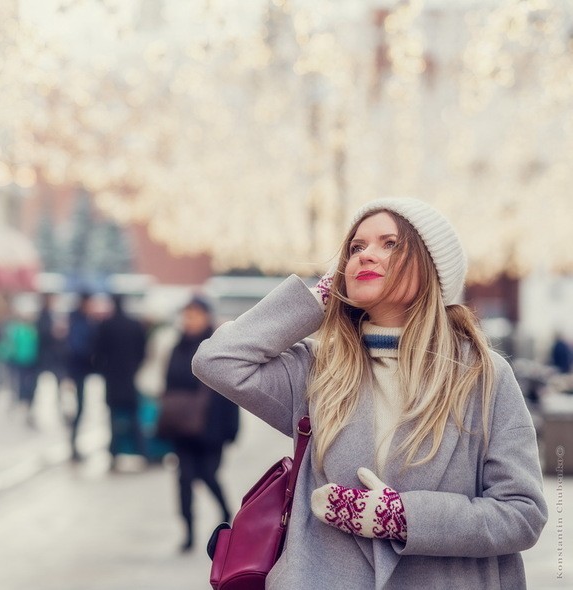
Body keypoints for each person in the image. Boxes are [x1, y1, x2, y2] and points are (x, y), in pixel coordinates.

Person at [192, 197, 547, 589]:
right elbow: (217, 360)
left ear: (432, 266)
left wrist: (402, 516)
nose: (365, 256)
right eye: (356, 248)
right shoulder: (318, 370)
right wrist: (321, 297)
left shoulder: (482, 376)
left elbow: (522, 514)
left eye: (389, 244)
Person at [165, 295, 239, 552]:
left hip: (212, 428)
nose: (190, 319)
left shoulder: (219, 346)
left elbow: (233, 390)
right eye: (187, 314)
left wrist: (232, 429)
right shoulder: (177, 346)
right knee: (184, 479)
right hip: (183, 428)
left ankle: (225, 510)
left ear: (207, 316)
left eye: (195, 314)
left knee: (208, 474)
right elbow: (169, 384)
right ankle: (188, 532)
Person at [93, 293, 148, 467]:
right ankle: (143, 451)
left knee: (114, 418)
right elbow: (142, 351)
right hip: (131, 377)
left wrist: (104, 370)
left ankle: (114, 452)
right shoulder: (134, 325)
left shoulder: (106, 325)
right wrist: (135, 367)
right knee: (134, 417)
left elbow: (98, 351)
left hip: (113, 378)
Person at [65, 291, 97, 460]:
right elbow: (78, 347)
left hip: (78, 370)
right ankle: (73, 445)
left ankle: (74, 444)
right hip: (77, 370)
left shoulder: (80, 320)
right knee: (79, 408)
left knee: (80, 408)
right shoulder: (80, 321)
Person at [0, 308, 39, 428]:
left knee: (29, 385)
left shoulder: (33, 330)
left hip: (32, 362)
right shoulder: (16, 330)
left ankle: (25, 402)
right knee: (20, 383)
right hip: (18, 361)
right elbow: (10, 344)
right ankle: (21, 401)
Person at [35, 293, 67, 415]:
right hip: (45, 356)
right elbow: (43, 335)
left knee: (58, 384)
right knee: (41, 384)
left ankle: (60, 407)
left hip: (53, 356)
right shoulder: (43, 316)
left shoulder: (53, 316)